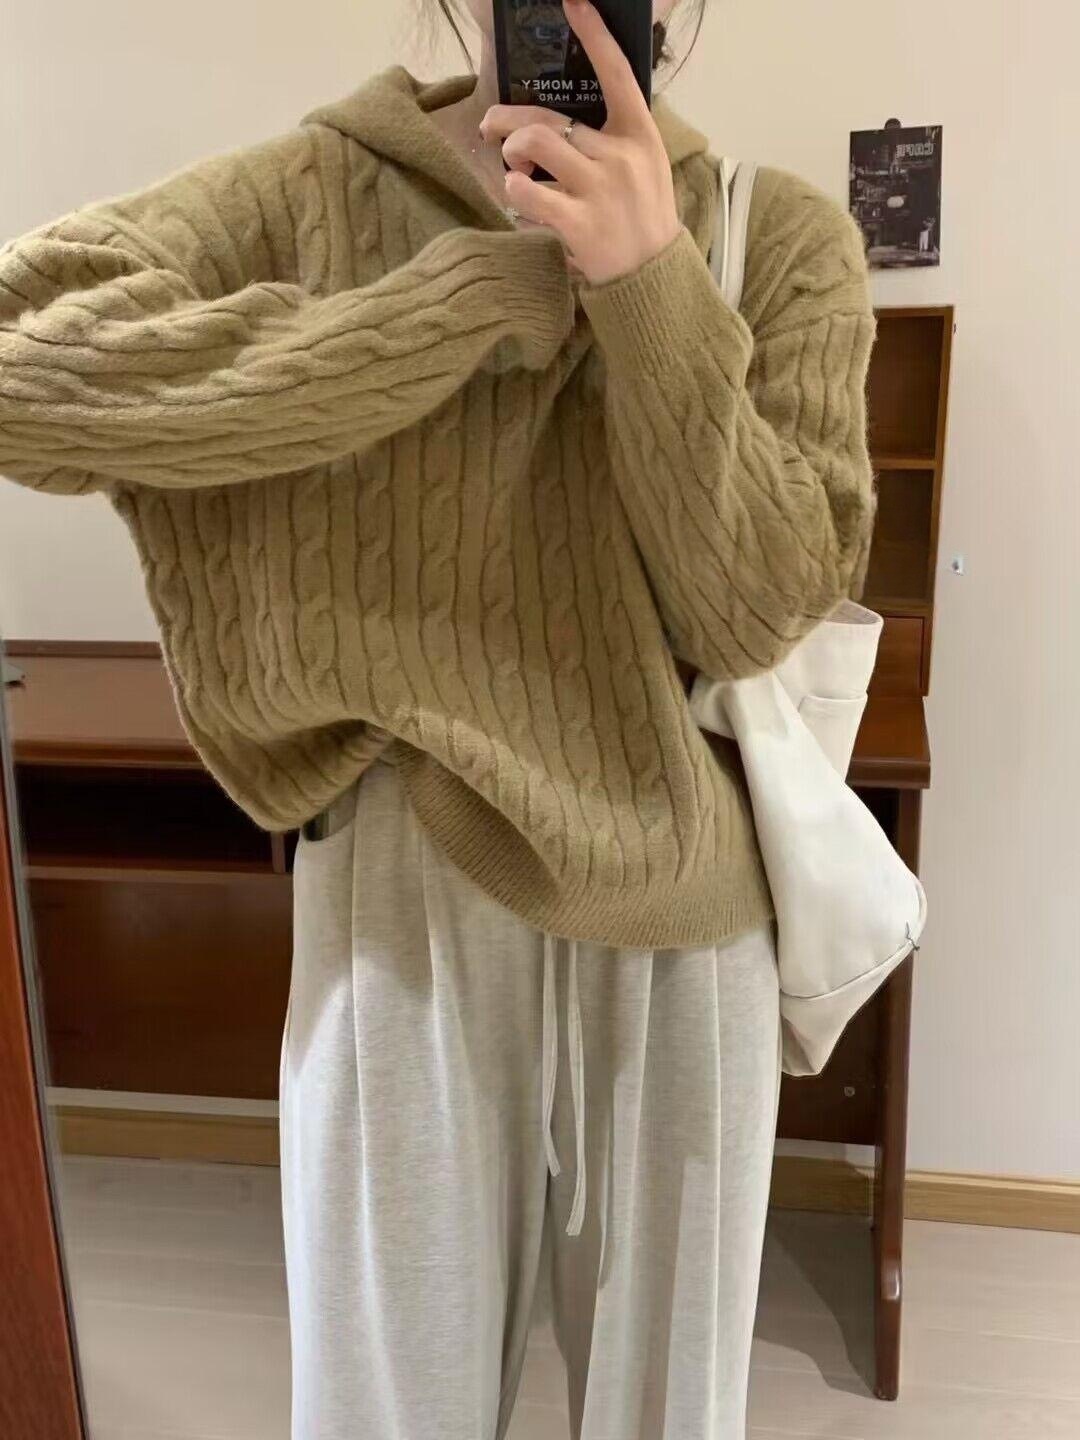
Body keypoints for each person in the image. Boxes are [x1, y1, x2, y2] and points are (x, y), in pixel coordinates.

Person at [0, 1, 877, 1434]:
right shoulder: (314, 189)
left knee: (670, 1417)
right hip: (407, 886)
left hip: (685, 913)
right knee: (384, 1413)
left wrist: (648, 284)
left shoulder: (772, 237)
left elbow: (759, 609)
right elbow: (19, 364)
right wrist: (465, 304)